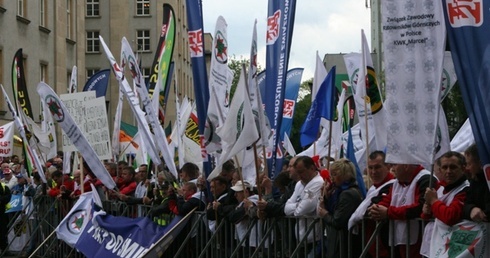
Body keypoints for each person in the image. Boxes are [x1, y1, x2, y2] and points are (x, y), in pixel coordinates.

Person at [368, 163, 436, 258]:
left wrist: (388, 212)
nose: (392, 169)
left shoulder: (425, 179)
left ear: (406, 166)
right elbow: (388, 199)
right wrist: (377, 208)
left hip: (420, 240)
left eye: (395, 165)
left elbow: (419, 207)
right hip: (403, 240)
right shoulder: (397, 182)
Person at [420, 151, 469, 257]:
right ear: (440, 170)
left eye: (453, 167)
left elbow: (450, 217)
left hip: (450, 247)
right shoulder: (440, 187)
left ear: (463, 168)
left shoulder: (465, 189)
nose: (448, 171)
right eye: (445, 167)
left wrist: (433, 201)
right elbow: (426, 216)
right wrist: (426, 210)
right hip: (432, 245)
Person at [348, 151, 395, 258]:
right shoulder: (374, 188)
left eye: (377, 167)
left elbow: (373, 208)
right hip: (371, 244)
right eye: (370, 168)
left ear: (388, 167)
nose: (373, 172)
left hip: (384, 243)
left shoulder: (393, 185)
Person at [317, 158, 363, 258]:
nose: (331, 178)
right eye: (331, 174)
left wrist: (324, 214)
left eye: (335, 174)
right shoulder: (339, 191)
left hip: (345, 243)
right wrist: (326, 197)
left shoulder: (347, 194)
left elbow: (337, 221)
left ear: (345, 175)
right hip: (340, 243)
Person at [284, 156, 324, 257]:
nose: (299, 175)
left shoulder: (318, 182)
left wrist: (297, 206)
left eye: (302, 172)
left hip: (314, 238)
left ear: (312, 168)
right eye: (297, 172)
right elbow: (286, 208)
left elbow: (301, 210)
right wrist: (299, 204)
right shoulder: (299, 184)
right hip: (301, 238)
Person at [463, 144, 490, 222]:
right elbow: (466, 203)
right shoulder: (475, 180)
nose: (467, 168)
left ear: (481, 164)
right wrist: (471, 209)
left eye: (469, 164)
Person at [0, 181, 11, 253]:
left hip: (2, 213)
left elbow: (8, 197)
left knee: (2, 231)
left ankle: (4, 249)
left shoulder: (4, 186)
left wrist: (1, 199)